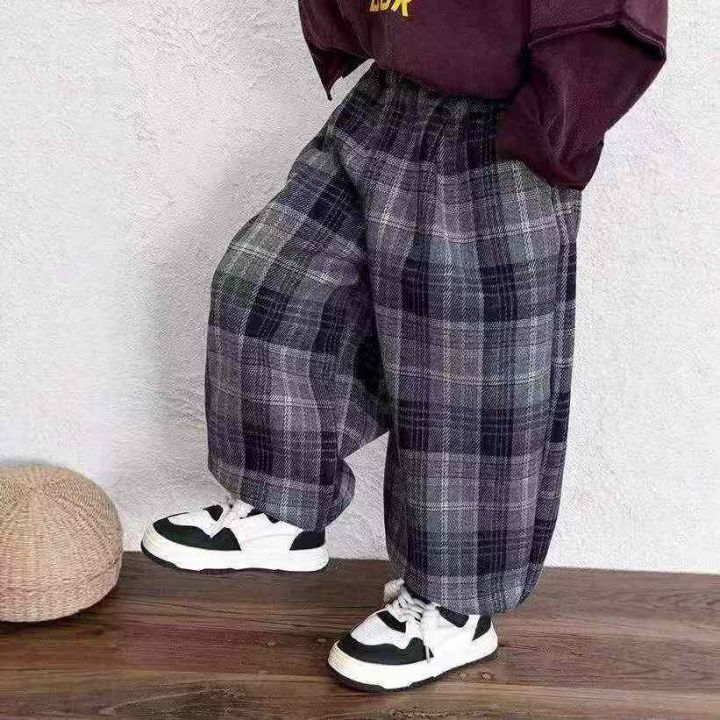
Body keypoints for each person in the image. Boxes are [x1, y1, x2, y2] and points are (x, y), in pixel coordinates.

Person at [141, 1, 668, 692]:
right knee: (270, 284)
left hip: (498, 130)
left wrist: (550, 126)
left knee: (467, 381)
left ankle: (453, 610)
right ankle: (281, 504)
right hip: (387, 101)